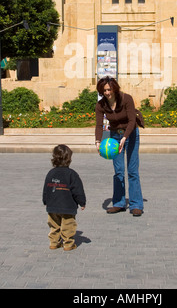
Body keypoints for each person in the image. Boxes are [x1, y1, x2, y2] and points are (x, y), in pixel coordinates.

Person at [95, 76, 143, 216]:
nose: (107, 93)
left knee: (132, 171)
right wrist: (98, 141)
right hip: (115, 137)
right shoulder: (101, 105)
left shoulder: (126, 98)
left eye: (109, 89)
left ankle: (136, 205)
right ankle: (119, 203)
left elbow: (132, 120)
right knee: (119, 171)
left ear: (114, 89)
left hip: (131, 134)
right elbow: (99, 125)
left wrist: (125, 137)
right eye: (104, 90)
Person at [42, 144, 86, 250]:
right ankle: (68, 244)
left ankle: (54, 242)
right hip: (68, 206)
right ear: (69, 159)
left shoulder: (50, 173)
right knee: (68, 225)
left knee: (54, 225)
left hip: (52, 205)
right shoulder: (72, 174)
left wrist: (45, 201)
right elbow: (78, 190)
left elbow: (46, 189)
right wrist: (82, 202)